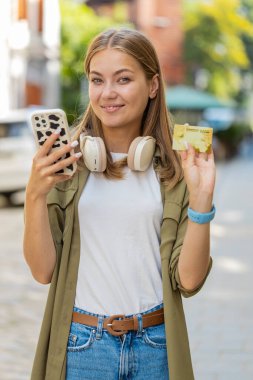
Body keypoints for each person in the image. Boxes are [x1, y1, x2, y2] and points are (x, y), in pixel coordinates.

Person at [23, 28, 216, 380]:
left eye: (123, 79)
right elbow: (42, 271)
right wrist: (35, 194)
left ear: (153, 85)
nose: (107, 93)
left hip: (156, 347)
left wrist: (201, 203)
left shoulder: (177, 170)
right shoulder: (68, 165)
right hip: (83, 348)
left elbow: (188, 281)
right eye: (97, 80)